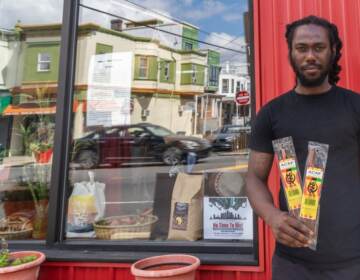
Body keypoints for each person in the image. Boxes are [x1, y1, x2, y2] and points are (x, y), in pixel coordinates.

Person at [245, 15, 360, 279]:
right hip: (292, 262)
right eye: (302, 48)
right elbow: (254, 178)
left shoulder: (355, 107)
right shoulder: (272, 114)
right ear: (291, 52)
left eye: (318, 48)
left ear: (333, 52)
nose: (310, 56)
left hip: (353, 260)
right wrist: (273, 217)